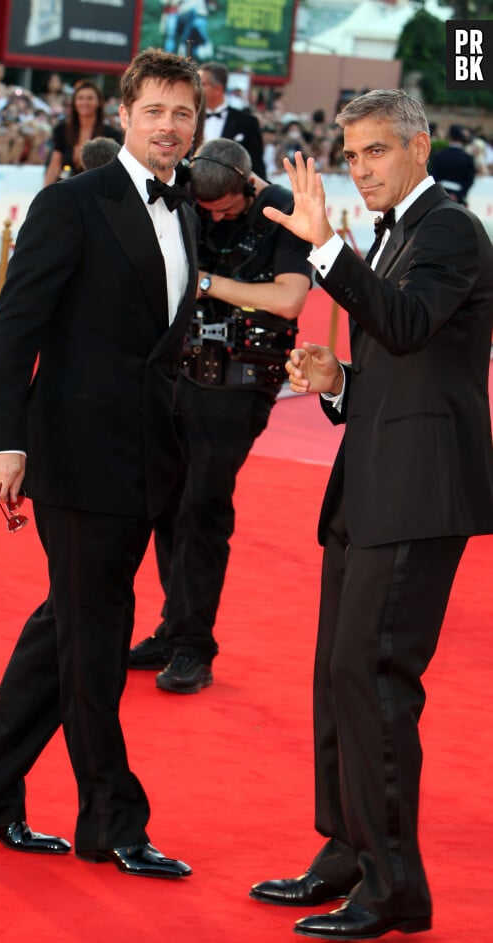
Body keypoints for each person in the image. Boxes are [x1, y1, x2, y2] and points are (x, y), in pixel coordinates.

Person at [0, 48, 203, 880]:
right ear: (126, 111)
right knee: (96, 638)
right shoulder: (72, 202)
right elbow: (15, 326)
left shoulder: (187, 209)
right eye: (156, 110)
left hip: (144, 458)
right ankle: (112, 818)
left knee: (66, 627)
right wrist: (1, 438)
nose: (170, 126)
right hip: (77, 456)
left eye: (184, 113)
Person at [248, 89, 493, 938]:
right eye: (351, 154)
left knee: (374, 679)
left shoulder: (450, 229)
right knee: (336, 676)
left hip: (419, 492)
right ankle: (349, 850)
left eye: (375, 151)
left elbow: (409, 323)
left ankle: (396, 888)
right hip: (369, 487)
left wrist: (325, 249)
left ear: (420, 148)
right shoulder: (395, 237)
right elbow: (396, 358)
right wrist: (340, 382)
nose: (360, 169)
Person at [129, 137, 311, 692]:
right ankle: (174, 625)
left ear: (247, 184)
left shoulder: (282, 209)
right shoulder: (186, 199)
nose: (216, 217)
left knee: (202, 510)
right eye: (207, 211)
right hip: (179, 372)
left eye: (226, 209)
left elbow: (288, 299)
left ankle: (193, 646)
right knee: (164, 502)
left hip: (241, 382)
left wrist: (207, 283)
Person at [44, 79, 122, 185]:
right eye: (80, 98)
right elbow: (55, 165)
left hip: (98, 190)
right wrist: (45, 194)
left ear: (99, 102)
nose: (84, 103)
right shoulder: (62, 130)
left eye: (90, 98)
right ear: (74, 102)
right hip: (66, 189)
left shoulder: (111, 134)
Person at [199, 61, 266, 177]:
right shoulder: (190, 117)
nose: (197, 88)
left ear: (218, 88)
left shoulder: (246, 123)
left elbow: (256, 167)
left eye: (203, 84)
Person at [429, 123, 476, 206]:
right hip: (458, 198)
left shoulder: (439, 155)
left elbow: (433, 176)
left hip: (440, 196)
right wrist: (458, 195)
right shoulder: (468, 158)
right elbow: (469, 180)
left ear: (450, 137)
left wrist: (441, 194)